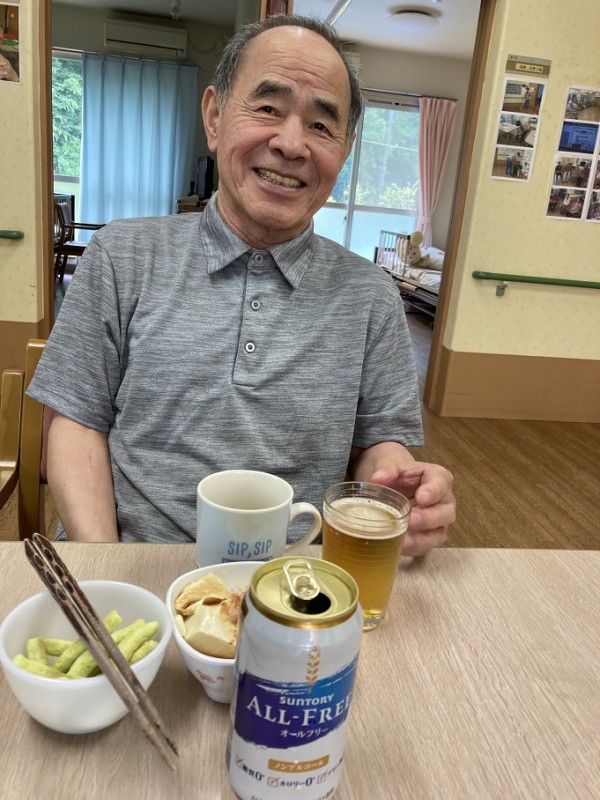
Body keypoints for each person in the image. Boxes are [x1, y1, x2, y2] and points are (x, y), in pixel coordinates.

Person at [28, 14, 455, 556]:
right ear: (215, 116)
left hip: (291, 578)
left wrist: (398, 484)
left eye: (321, 125)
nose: (292, 144)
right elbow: (73, 423)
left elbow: (378, 446)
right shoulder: (121, 255)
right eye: (269, 108)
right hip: (130, 562)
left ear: (344, 151)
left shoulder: (372, 295)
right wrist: (110, 570)